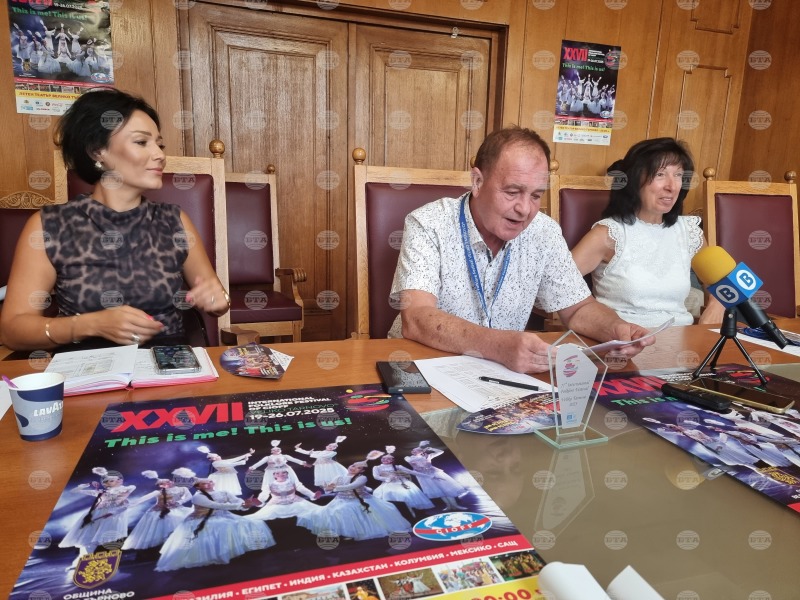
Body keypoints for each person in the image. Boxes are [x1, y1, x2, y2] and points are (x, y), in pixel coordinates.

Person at [388, 126, 654, 374]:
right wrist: (498, 345)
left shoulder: (544, 232)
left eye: (536, 196)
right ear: (477, 182)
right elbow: (417, 318)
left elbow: (578, 309)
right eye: (513, 192)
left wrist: (616, 328)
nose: (525, 209)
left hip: (500, 373)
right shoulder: (429, 223)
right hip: (423, 365)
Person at [0, 88, 231, 351]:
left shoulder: (174, 220)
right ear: (97, 151)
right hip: (87, 366)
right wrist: (91, 324)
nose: (160, 155)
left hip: (168, 361)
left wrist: (218, 299)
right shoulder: (50, 225)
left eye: (159, 144)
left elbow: (217, 302)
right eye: (142, 142)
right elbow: (12, 330)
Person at [570, 137, 724, 327]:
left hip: (681, 337)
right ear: (634, 180)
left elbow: (722, 285)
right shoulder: (608, 234)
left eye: (678, 175)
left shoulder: (690, 232)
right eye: (660, 174)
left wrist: (717, 306)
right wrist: (596, 320)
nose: (671, 186)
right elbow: (556, 285)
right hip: (623, 338)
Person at [155, 478, 273, 571]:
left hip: (224, 515)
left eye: (210, 481)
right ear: (198, 486)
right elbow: (216, 505)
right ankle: (219, 556)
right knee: (223, 527)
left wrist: (246, 504)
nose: (209, 484)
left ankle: (246, 553)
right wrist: (240, 505)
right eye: (204, 483)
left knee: (253, 522)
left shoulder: (223, 492)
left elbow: (238, 501)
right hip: (202, 518)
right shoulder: (197, 497)